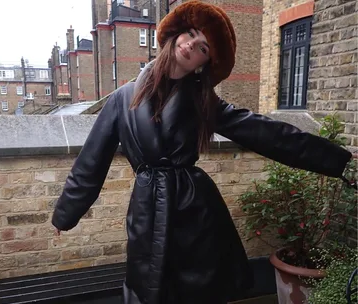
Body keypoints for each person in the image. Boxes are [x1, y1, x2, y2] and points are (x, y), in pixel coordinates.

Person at [52, 1, 355, 304]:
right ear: (176, 35)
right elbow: (91, 161)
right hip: (147, 208)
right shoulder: (121, 99)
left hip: (195, 211)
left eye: (204, 48)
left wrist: (337, 161)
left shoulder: (203, 102)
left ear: (203, 63)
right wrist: (65, 215)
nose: (192, 46)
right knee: (146, 289)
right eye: (192, 35)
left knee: (197, 291)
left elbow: (265, 134)